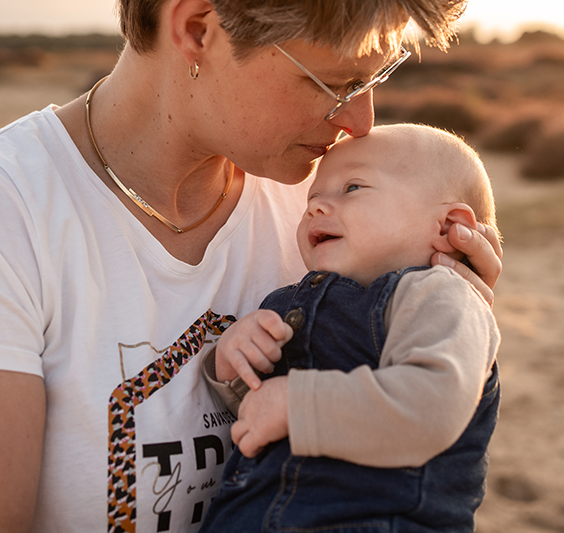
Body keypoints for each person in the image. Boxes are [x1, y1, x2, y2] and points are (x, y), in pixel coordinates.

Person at [0, 0, 503, 532]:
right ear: (198, 29)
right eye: (336, 81)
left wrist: (440, 298)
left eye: (378, 74)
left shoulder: (333, 209)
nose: (359, 123)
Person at [199, 123, 500, 532]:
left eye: (353, 188)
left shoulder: (440, 297)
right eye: (312, 198)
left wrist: (296, 406)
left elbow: (432, 406)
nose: (316, 209)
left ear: (448, 227)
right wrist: (235, 365)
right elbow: (263, 415)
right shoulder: (286, 303)